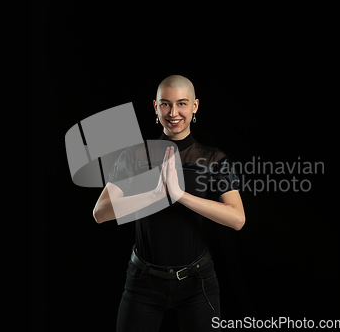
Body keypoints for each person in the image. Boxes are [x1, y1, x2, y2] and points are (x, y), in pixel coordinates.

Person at [93, 75, 245, 331]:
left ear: (195, 106)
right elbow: (100, 213)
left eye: (182, 104)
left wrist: (180, 195)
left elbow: (237, 219)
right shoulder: (134, 156)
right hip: (143, 282)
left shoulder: (213, 158)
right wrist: (156, 195)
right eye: (165, 104)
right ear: (155, 107)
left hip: (197, 282)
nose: (173, 112)